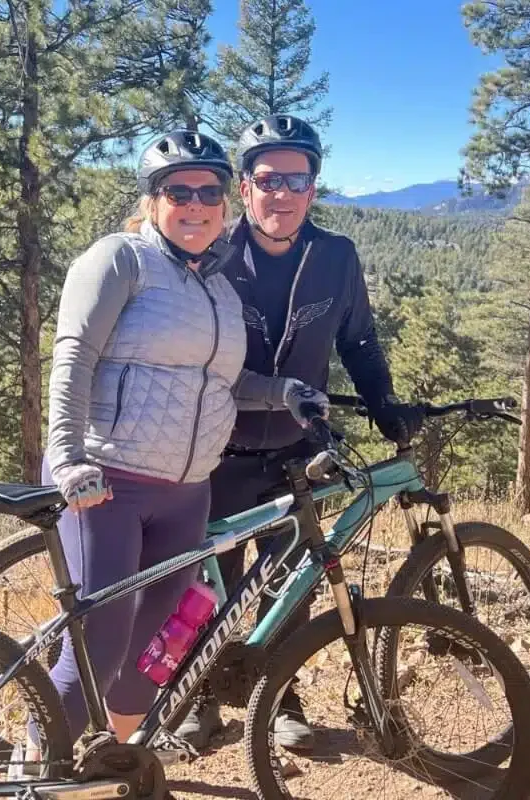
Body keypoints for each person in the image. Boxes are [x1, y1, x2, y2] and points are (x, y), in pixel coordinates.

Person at [38, 129, 329, 751]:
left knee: (157, 649)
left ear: (225, 203)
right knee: (100, 643)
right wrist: (66, 457)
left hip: (187, 493)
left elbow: (220, 380)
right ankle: (34, 770)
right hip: (109, 482)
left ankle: (116, 761)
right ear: (152, 200)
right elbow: (73, 357)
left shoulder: (218, 290)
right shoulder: (121, 260)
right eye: (178, 192)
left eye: (208, 192)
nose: (195, 204)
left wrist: (282, 392)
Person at [174, 115, 425, 752]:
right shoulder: (212, 254)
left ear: (312, 188)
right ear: (245, 187)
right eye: (267, 180)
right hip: (218, 450)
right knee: (209, 585)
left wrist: (384, 404)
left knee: (293, 583)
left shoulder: (335, 257)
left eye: (296, 180)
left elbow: (359, 341)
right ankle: (201, 697)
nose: (281, 193)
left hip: (299, 450)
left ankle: (280, 696)